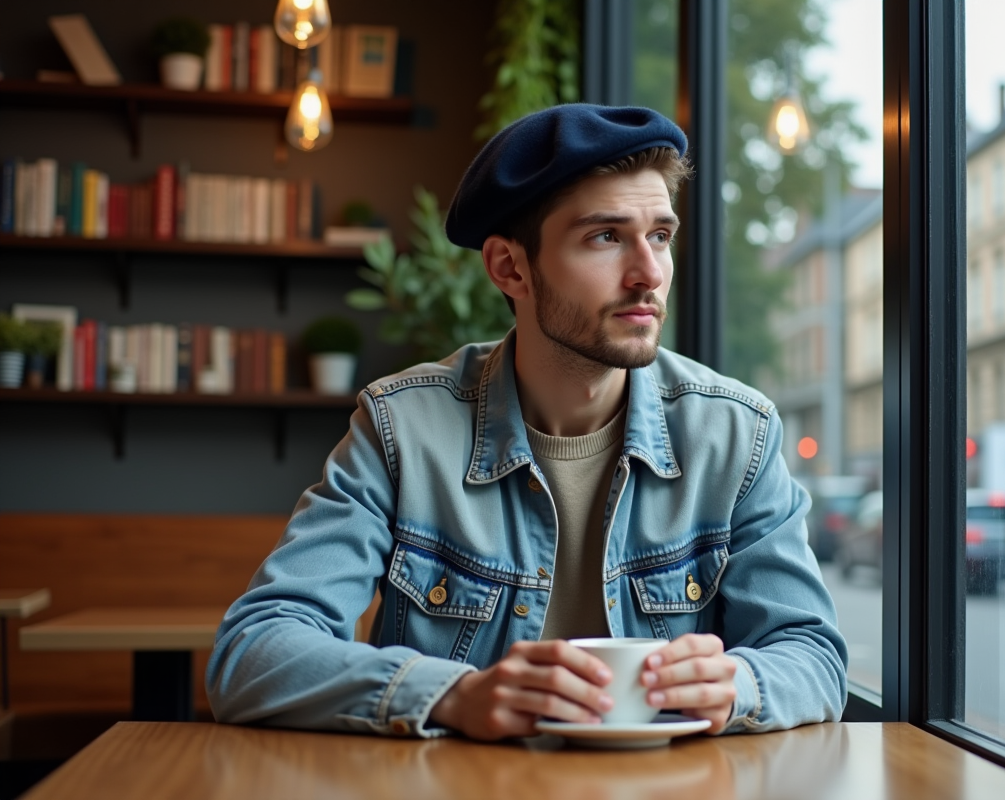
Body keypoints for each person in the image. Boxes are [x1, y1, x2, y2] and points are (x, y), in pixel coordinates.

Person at [207, 104, 848, 741]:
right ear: (510, 268)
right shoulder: (404, 430)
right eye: (605, 237)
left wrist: (736, 685)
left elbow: (813, 656)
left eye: (660, 235)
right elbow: (254, 651)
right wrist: (454, 695)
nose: (649, 274)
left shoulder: (737, 434)